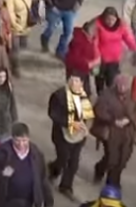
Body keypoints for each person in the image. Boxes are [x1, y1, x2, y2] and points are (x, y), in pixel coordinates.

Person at [0, 122, 53, 207]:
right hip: (7, 201)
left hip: (29, 201)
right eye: (17, 140)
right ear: (12, 138)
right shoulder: (2, 152)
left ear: (28, 138)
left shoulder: (36, 154)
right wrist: (1, 174)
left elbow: (43, 179)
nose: (21, 144)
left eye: (24, 140)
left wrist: (48, 202)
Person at [47, 73, 92, 201]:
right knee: (63, 159)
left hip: (78, 137)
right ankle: (53, 169)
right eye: (72, 81)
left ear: (82, 83)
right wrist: (70, 123)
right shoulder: (59, 96)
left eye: (77, 81)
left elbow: (88, 114)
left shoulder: (84, 96)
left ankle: (66, 187)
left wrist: (85, 127)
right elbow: (53, 114)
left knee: (74, 162)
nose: (74, 84)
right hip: (61, 134)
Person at [91, 74, 136, 187]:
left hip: (126, 132)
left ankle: (113, 177)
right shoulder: (106, 96)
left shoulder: (131, 96)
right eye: (120, 85)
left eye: (125, 86)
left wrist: (128, 119)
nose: (122, 88)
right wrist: (113, 120)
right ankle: (111, 181)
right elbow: (98, 111)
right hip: (110, 130)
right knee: (112, 157)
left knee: (124, 157)